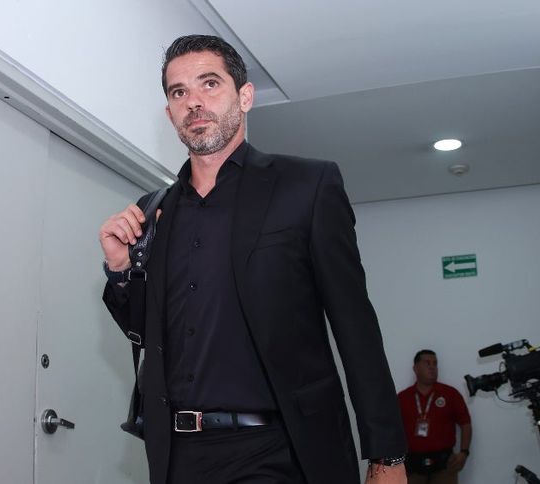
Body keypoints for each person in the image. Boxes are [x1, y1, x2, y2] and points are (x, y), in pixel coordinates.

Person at [99, 34, 406, 484]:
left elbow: (355, 326)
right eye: (179, 92)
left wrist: (387, 456)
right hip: (179, 457)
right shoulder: (154, 210)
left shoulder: (307, 186)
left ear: (244, 96)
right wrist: (121, 270)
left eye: (209, 84)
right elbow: (150, 335)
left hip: (282, 452)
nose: (193, 102)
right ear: (170, 114)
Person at [397, 350, 471, 484]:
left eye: (435, 363)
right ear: (415, 368)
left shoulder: (450, 394)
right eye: (427, 363)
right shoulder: (402, 398)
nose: (432, 367)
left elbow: (465, 423)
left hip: (445, 466)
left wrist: (464, 452)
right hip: (412, 467)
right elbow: (391, 430)